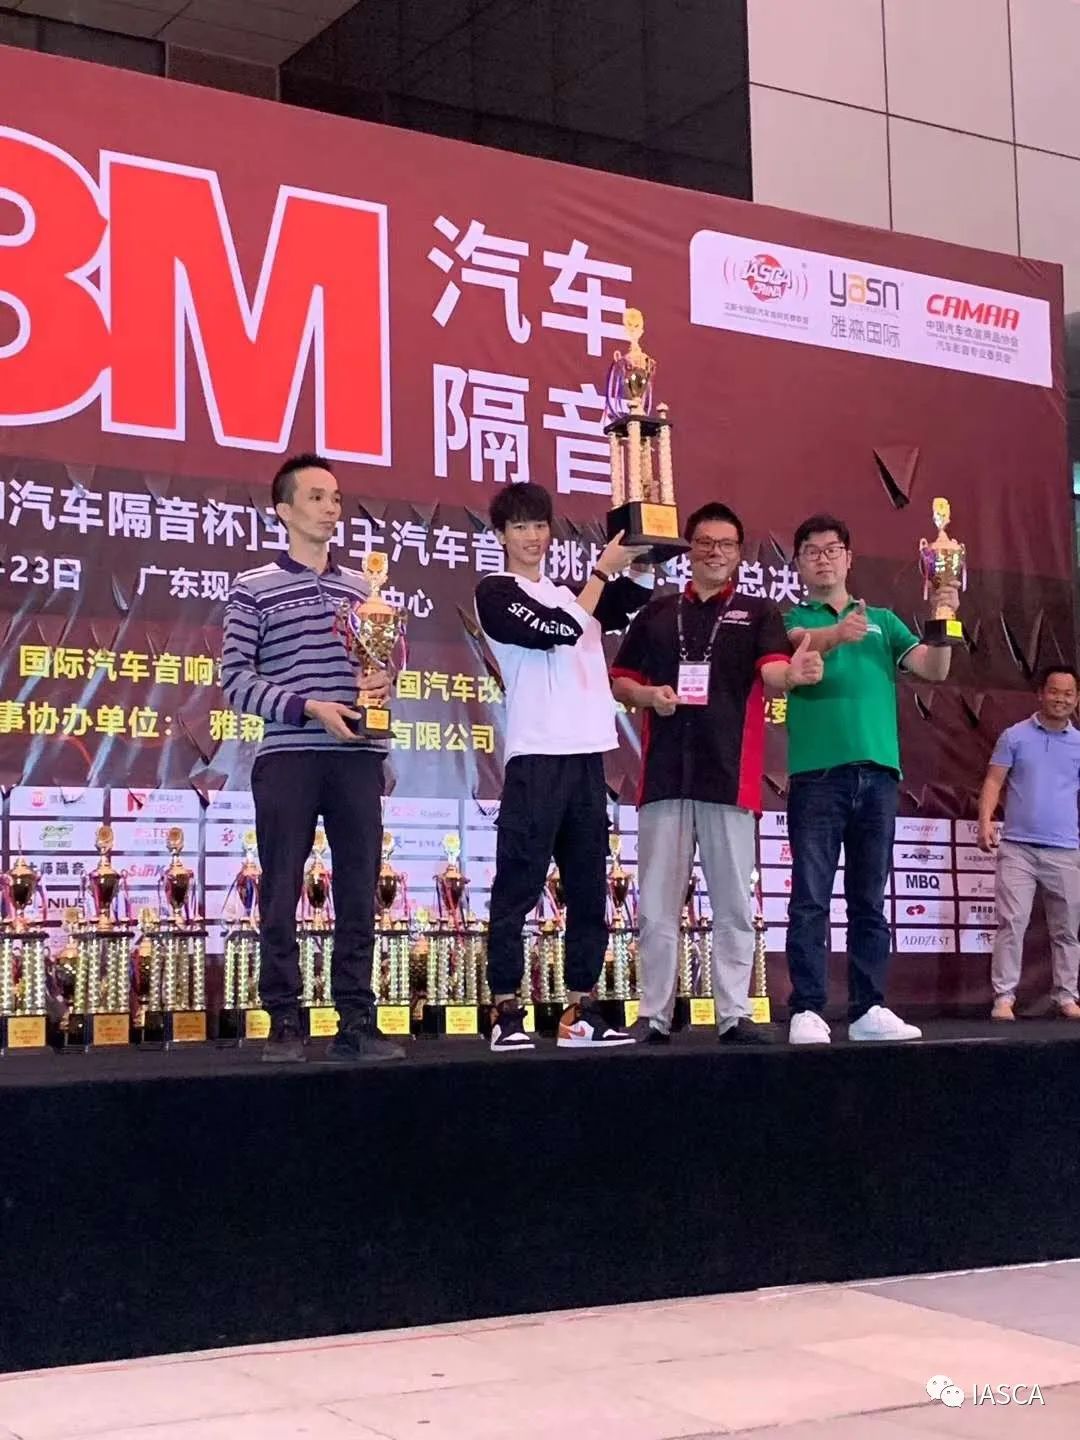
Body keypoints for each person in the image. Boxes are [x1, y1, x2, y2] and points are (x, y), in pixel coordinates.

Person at [611, 502, 823, 1045]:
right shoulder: (658, 613)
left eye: (726, 544)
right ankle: (653, 1014)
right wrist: (648, 697)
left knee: (733, 904)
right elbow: (621, 680)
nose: (714, 552)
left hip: (730, 777)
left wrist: (795, 675)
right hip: (664, 777)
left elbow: (772, 671)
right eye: (704, 542)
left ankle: (734, 1013)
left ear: (738, 553)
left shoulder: (758, 612)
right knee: (656, 905)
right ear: (689, 549)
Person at [221, 453, 403, 1064]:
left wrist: (380, 689)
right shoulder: (253, 589)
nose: (331, 509)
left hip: (357, 756)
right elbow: (235, 680)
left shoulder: (363, 591)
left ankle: (357, 1019)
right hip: (289, 755)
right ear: (284, 510)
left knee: (358, 888)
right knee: (280, 888)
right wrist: (309, 707)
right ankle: (284, 1018)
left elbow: (383, 669)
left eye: (336, 498)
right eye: (317, 497)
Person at [474, 482, 651, 1052]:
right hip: (536, 757)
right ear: (501, 535)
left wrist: (643, 552)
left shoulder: (570, 593)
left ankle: (581, 1009)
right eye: (520, 527)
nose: (533, 536)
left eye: (539, 525)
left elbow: (626, 602)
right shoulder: (496, 592)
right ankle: (504, 1010)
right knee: (518, 886)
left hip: (585, 758)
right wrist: (601, 572)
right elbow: (559, 629)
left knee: (588, 888)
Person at [783, 513, 957, 1044]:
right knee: (810, 898)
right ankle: (807, 1008)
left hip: (878, 776)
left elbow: (934, 669)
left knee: (869, 900)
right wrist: (837, 634)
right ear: (798, 564)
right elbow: (796, 644)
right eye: (811, 551)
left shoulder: (882, 619)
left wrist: (943, 615)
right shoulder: (790, 616)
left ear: (849, 558)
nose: (823, 558)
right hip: (817, 776)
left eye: (832, 549)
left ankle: (868, 1008)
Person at [977, 666, 1080, 1022]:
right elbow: (993, 781)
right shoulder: (1015, 736)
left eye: (1068, 693)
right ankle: (1003, 997)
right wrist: (985, 821)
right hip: (1017, 848)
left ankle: (1067, 996)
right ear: (1040, 694)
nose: (1060, 699)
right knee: (1012, 923)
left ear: (1076, 699)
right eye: (1054, 691)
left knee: (1067, 930)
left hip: (1065, 849)